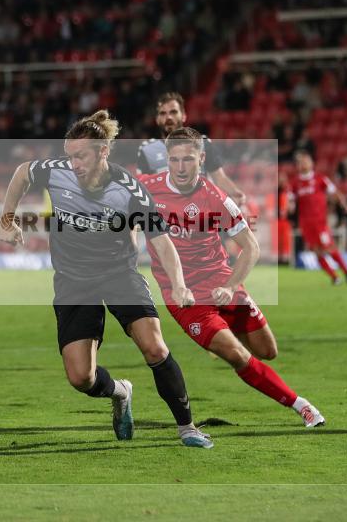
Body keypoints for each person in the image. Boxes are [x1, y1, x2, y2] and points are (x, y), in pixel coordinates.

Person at [0, 109, 213, 448]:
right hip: (72, 280)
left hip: (118, 274)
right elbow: (23, 173)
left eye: (80, 156)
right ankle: (120, 392)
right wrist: (6, 219)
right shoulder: (56, 172)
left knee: (154, 346)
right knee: (81, 377)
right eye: (69, 156)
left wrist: (179, 283)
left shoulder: (129, 190)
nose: (73, 163)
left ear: (102, 151)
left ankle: (187, 427)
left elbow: (160, 240)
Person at [139, 128, 324, 427]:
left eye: (189, 159)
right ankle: (301, 406)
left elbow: (250, 246)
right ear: (168, 161)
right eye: (175, 160)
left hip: (221, 280)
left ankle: (226, 334)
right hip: (185, 297)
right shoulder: (146, 188)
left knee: (268, 351)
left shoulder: (216, 197)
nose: (182, 167)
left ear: (201, 158)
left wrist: (230, 285)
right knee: (237, 354)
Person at [137, 92, 246, 206]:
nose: (168, 117)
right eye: (163, 113)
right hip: (167, 216)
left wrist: (235, 192)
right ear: (157, 119)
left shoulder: (202, 143)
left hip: (200, 211)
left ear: (183, 115)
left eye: (173, 112)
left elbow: (219, 177)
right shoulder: (147, 149)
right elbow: (143, 187)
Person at [288, 150, 347, 285]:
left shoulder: (320, 179)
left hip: (320, 222)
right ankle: (335, 277)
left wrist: (344, 203)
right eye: (300, 162)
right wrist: (290, 206)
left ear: (311, 163)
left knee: (328, 247)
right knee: (316, 251)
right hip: (306, 223)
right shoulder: (295, 183)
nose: (303, 164)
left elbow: (334, 192)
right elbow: (290, 200)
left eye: (305, 161)